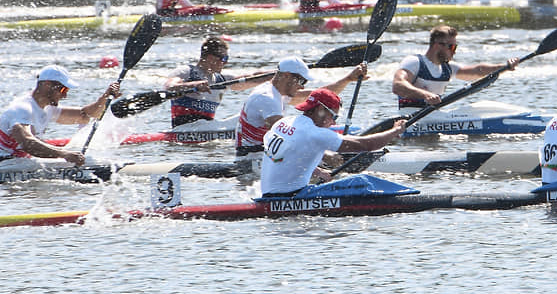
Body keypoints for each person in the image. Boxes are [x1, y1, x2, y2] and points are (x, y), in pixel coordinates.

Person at [259, 88, 407, 197]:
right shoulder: (315, 133)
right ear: (320, 109)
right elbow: (366, 145)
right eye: (333, 117)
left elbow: (286, 156)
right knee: (361, 182)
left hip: (267, 194)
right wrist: (395, 131)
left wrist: (317, 171)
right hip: (291, 196)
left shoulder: (284, 122)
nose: (332, 123)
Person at [235, 56, 366, 158]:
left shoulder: (278, 92)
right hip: (251, 161)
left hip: (264, 156)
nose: (302, 86)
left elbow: (320, 96)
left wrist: (348, 79)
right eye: (301, 81)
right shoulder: (266, 98)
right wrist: (325, 156)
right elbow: (286, 136)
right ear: (286, 76)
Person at [0, 65, 121, 167]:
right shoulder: (23, 108)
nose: (65, 96)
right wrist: (64, 154)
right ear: (47, 84)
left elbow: (85, 115)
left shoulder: (48, 108)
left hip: (16, 163)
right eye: (63, 90)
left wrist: (104, 98)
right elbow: (28, 144)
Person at [392, 25, 519, 109]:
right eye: (452, 47)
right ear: (437, 45)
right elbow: (398, 85)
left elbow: (477, 71)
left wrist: (505, 66)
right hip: (409, 118)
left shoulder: (448, 68)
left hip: (434, 117)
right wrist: (425, 95)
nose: (454, 51)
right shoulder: (414, 62)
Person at [163, 36, 275, 128]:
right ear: (211, 57)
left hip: (207, 129)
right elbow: (169, 87)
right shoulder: (186, 72)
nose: (225, 63)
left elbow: (252, 77)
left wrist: (279, 73)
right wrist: (193, 85)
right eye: (224, 58)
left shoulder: (221, 80)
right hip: (183, 129)